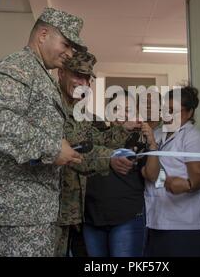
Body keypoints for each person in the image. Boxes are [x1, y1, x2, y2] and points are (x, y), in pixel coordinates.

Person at [0, 8, 86, 257]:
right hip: (18, 211)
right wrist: (53, 148)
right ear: (43, 34)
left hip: (34, 210)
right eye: (66, 45)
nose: (69, 54)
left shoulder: (39, 74)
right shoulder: (19, 66)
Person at [55, 51, 141, 257]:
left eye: (86, 77)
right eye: (77, 74)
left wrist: (124, 128)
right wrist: (110, 159)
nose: (82, 82)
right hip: (51, 209)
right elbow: (76, 149)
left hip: (73, 213)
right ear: (61, 73)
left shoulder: (81, 113)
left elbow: (97, 140)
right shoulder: (53, 106)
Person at [83, 90, 161, 257]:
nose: (123, 113)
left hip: (127, 219)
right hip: (91, 219)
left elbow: (152, 175)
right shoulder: (94, 134)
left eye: (128, 109)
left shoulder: (138, 139)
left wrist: (152, 144)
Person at [141, 85, 200, 257]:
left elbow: (199, 177)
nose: (167, 115)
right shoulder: (156, 134)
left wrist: (187, 185)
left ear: (189, 113)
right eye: (165, 109)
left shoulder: (193, 137)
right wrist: (151, 144)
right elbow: (150, 173)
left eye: (173, 110)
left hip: (185, 224)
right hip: (157, 220)